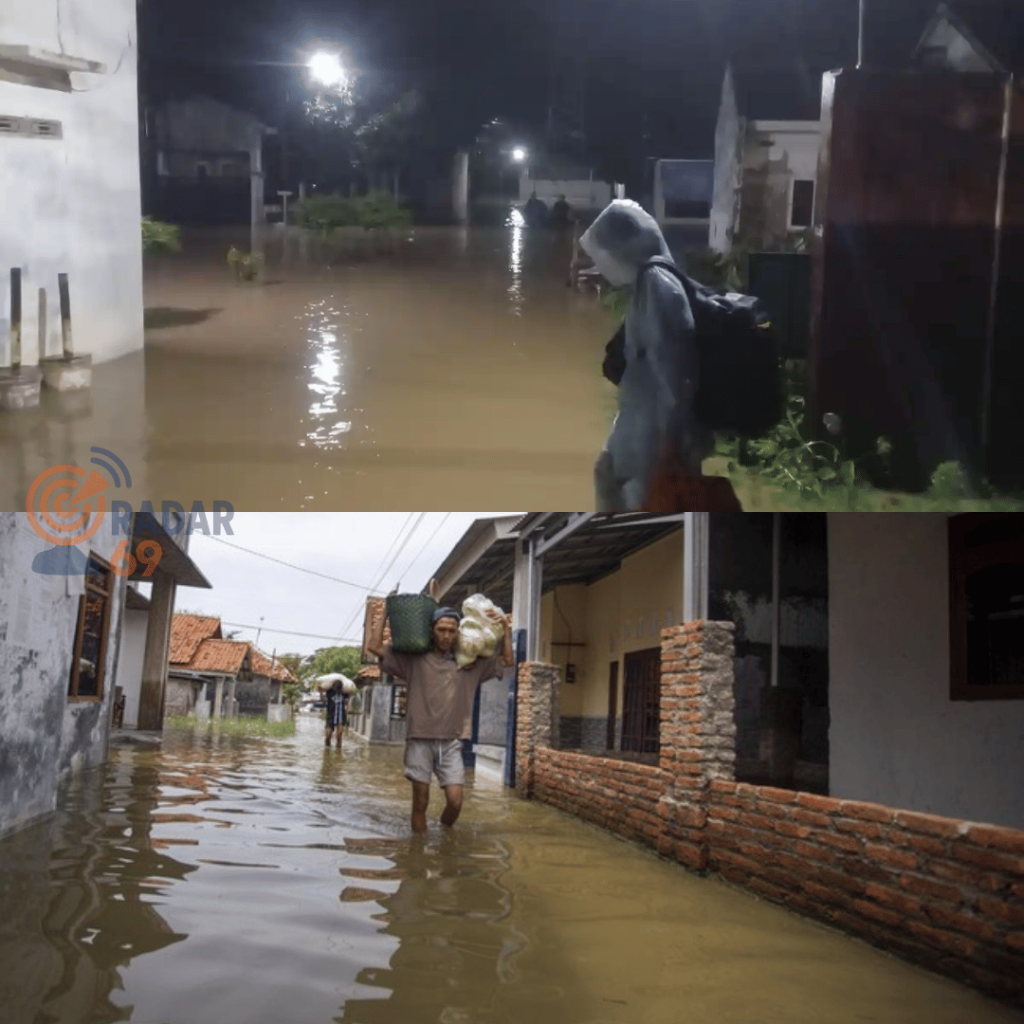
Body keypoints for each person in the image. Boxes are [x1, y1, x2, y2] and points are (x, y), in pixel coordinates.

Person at [579, 199, 741, 512]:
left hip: (656, 439)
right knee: (605, 473)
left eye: (605, 254)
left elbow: (676, 366)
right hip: (637, 427)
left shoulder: (658, 284)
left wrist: (670, 441)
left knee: (644, 502)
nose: (602, 263)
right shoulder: (644, 283)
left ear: (624, 248)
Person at [366, 582, 514, 834]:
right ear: (432, 631)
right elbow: (374, 647)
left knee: (456, 801)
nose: (446, 635)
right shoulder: (413, 661)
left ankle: (444, 837)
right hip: (419, 740)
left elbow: (508, 662)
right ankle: (419, 858)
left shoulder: (471, 664)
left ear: (458, 633)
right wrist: (386, 615)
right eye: (441, 630)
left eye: (451, 630)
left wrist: (505, 630)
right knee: (420, 804)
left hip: (452, 742)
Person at [319, 679, 348, 749]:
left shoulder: (344, 693)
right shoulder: (329, 692)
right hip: (330, 716)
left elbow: (348, 699)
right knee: (328, 736)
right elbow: (323, 700)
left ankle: (338, 753)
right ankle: (327, 751)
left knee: (339, 736)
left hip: (341, 717)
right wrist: (321, 693)